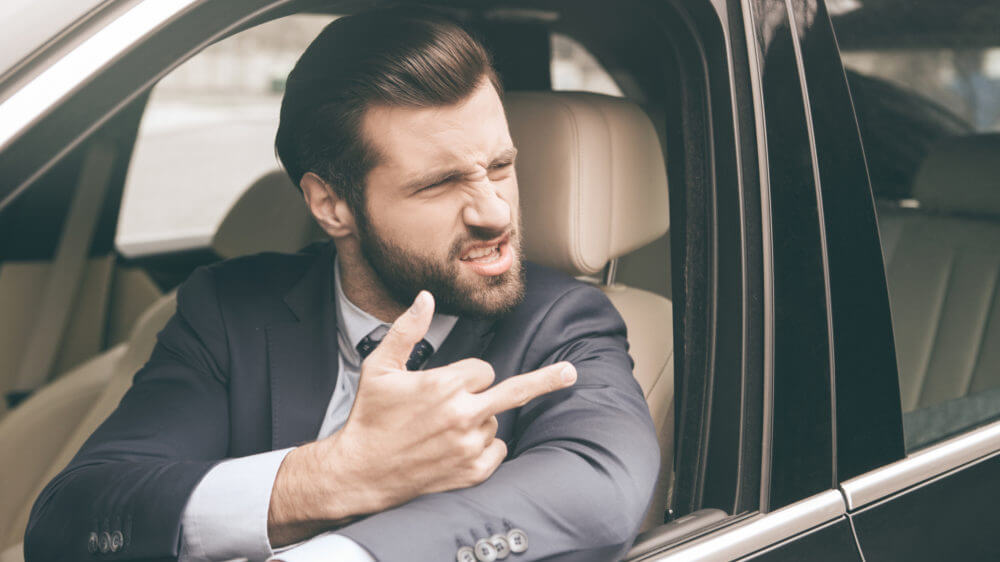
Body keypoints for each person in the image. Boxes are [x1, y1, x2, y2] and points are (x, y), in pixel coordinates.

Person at [24, 7, 659, 561]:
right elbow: (74, 520)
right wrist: (330, 479)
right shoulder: (230, 309)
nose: (494, 211)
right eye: (438, 184)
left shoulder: (561, 322)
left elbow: (599, 490)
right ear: (332, 206)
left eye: (500, 167)